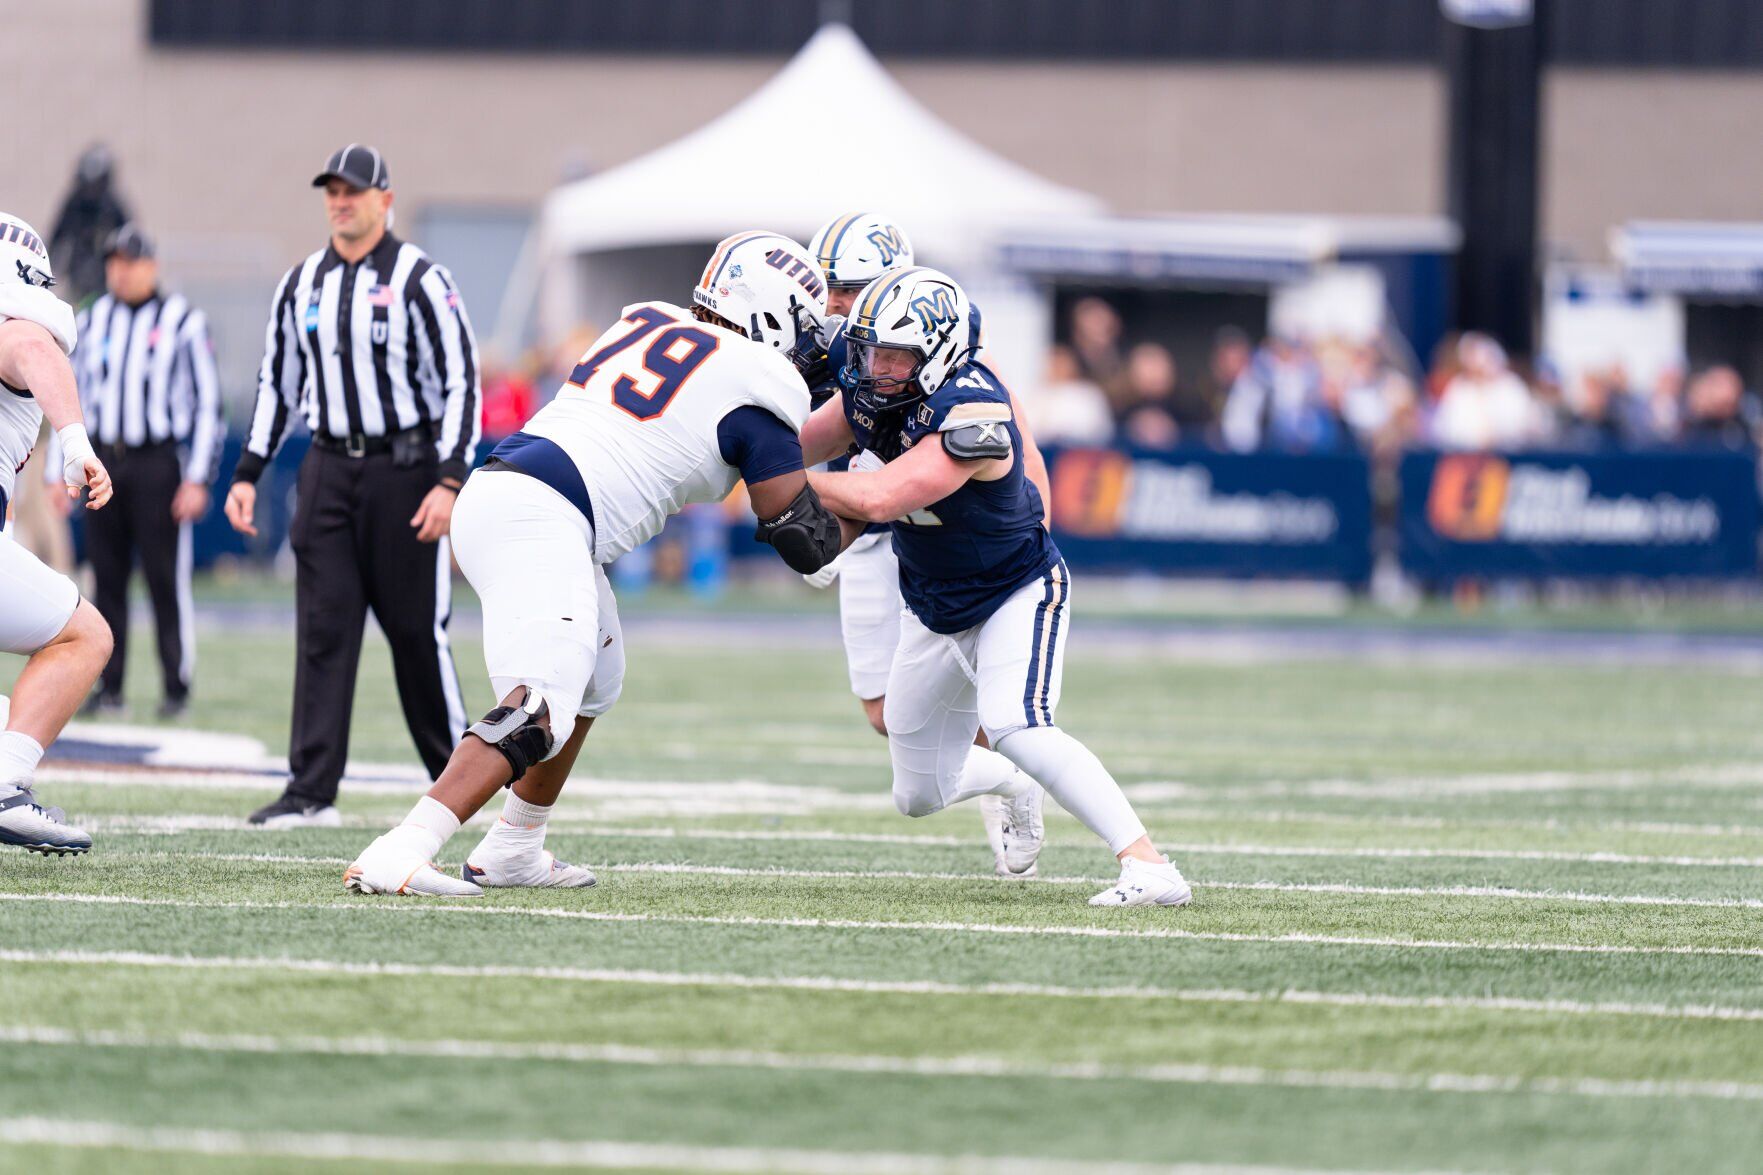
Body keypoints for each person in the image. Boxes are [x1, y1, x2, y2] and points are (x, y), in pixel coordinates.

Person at [343, 230, 847, 896]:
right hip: (541, 516)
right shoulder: (758, 382)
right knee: (538, 707)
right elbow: (801, 535)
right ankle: (403, 846)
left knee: (596, 677)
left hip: (514, 494)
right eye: (804, 327)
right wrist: (896, 494)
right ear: (772, 312)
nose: (808, 345)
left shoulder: (651, 322)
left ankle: (514, 846)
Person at [800, 267, 1191, 907]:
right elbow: (791, 447)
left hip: (1013, 590)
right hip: (933, 607)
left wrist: (789, 485)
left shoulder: (972, 408)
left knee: (1018, 723)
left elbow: (880, 494)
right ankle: (1014, 781)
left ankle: (1150, 867)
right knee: (917, 794)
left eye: (895, 355)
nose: (876, 367)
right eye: (871, 351)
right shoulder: (872, 391)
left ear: (939, 352)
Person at [225, 145, 480, 827]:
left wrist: (451, 478)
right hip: (329, 468)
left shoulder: (423, 278)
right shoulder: (301, 282)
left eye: (354, 191)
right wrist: (249, 470)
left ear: (384, 200)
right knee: (323, 631)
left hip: (406, 472)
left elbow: (462, 379)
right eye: (332, 191)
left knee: (415, 636)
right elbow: (277, 382)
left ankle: (462, 784)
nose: (341, 201)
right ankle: (310, 791)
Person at [796, 213, 1050, 876]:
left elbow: (1021, 444)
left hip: (931, 539)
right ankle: (1001, 776)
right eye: (827, 284)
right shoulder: (822, 341)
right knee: (883, 713)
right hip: (864, 530)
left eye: (848, 286)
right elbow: (802, 437)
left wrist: (1037, 529)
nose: (833, 302)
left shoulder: (950, 354)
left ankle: (1014, 784)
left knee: (977, 696)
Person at [63, 224, 222, 719]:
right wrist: (59, 468)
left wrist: (196, 477)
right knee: (105, 578)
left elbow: (208, 404)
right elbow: (71, 393)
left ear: (151, 266)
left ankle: (176, 685)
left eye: (130, 262)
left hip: (157, 463)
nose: (121, 271)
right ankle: (109, 687)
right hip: (104, 460)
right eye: (114, 262)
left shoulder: (183, 321)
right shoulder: (93, 320)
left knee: (163, 578)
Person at [0, 212, 116, 855]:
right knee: (86, 635)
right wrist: (74, 441)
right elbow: (31, 347)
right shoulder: (19, 328)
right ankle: (7, 788)